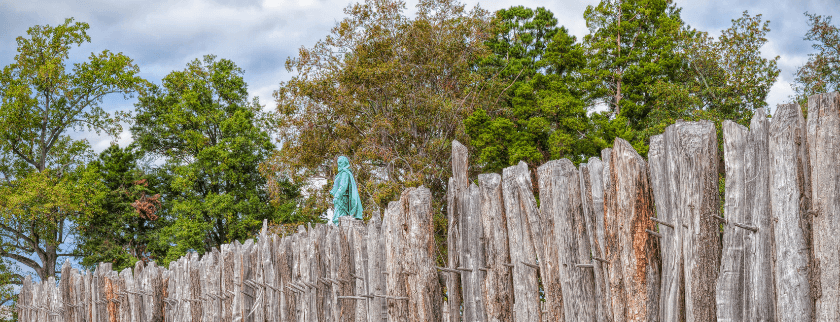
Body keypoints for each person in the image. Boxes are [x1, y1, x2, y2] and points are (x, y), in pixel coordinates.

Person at [330, 156, 363, 225]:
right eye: (338, 163)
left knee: (339, 218)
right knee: (339, 217)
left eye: (340, 162)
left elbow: (343, 186)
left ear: (344, 163)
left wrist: (337, 196)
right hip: (340, 199)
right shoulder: (341, 173)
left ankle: (340, 233)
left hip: (342, 199)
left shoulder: (344, 173)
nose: (339, 164)